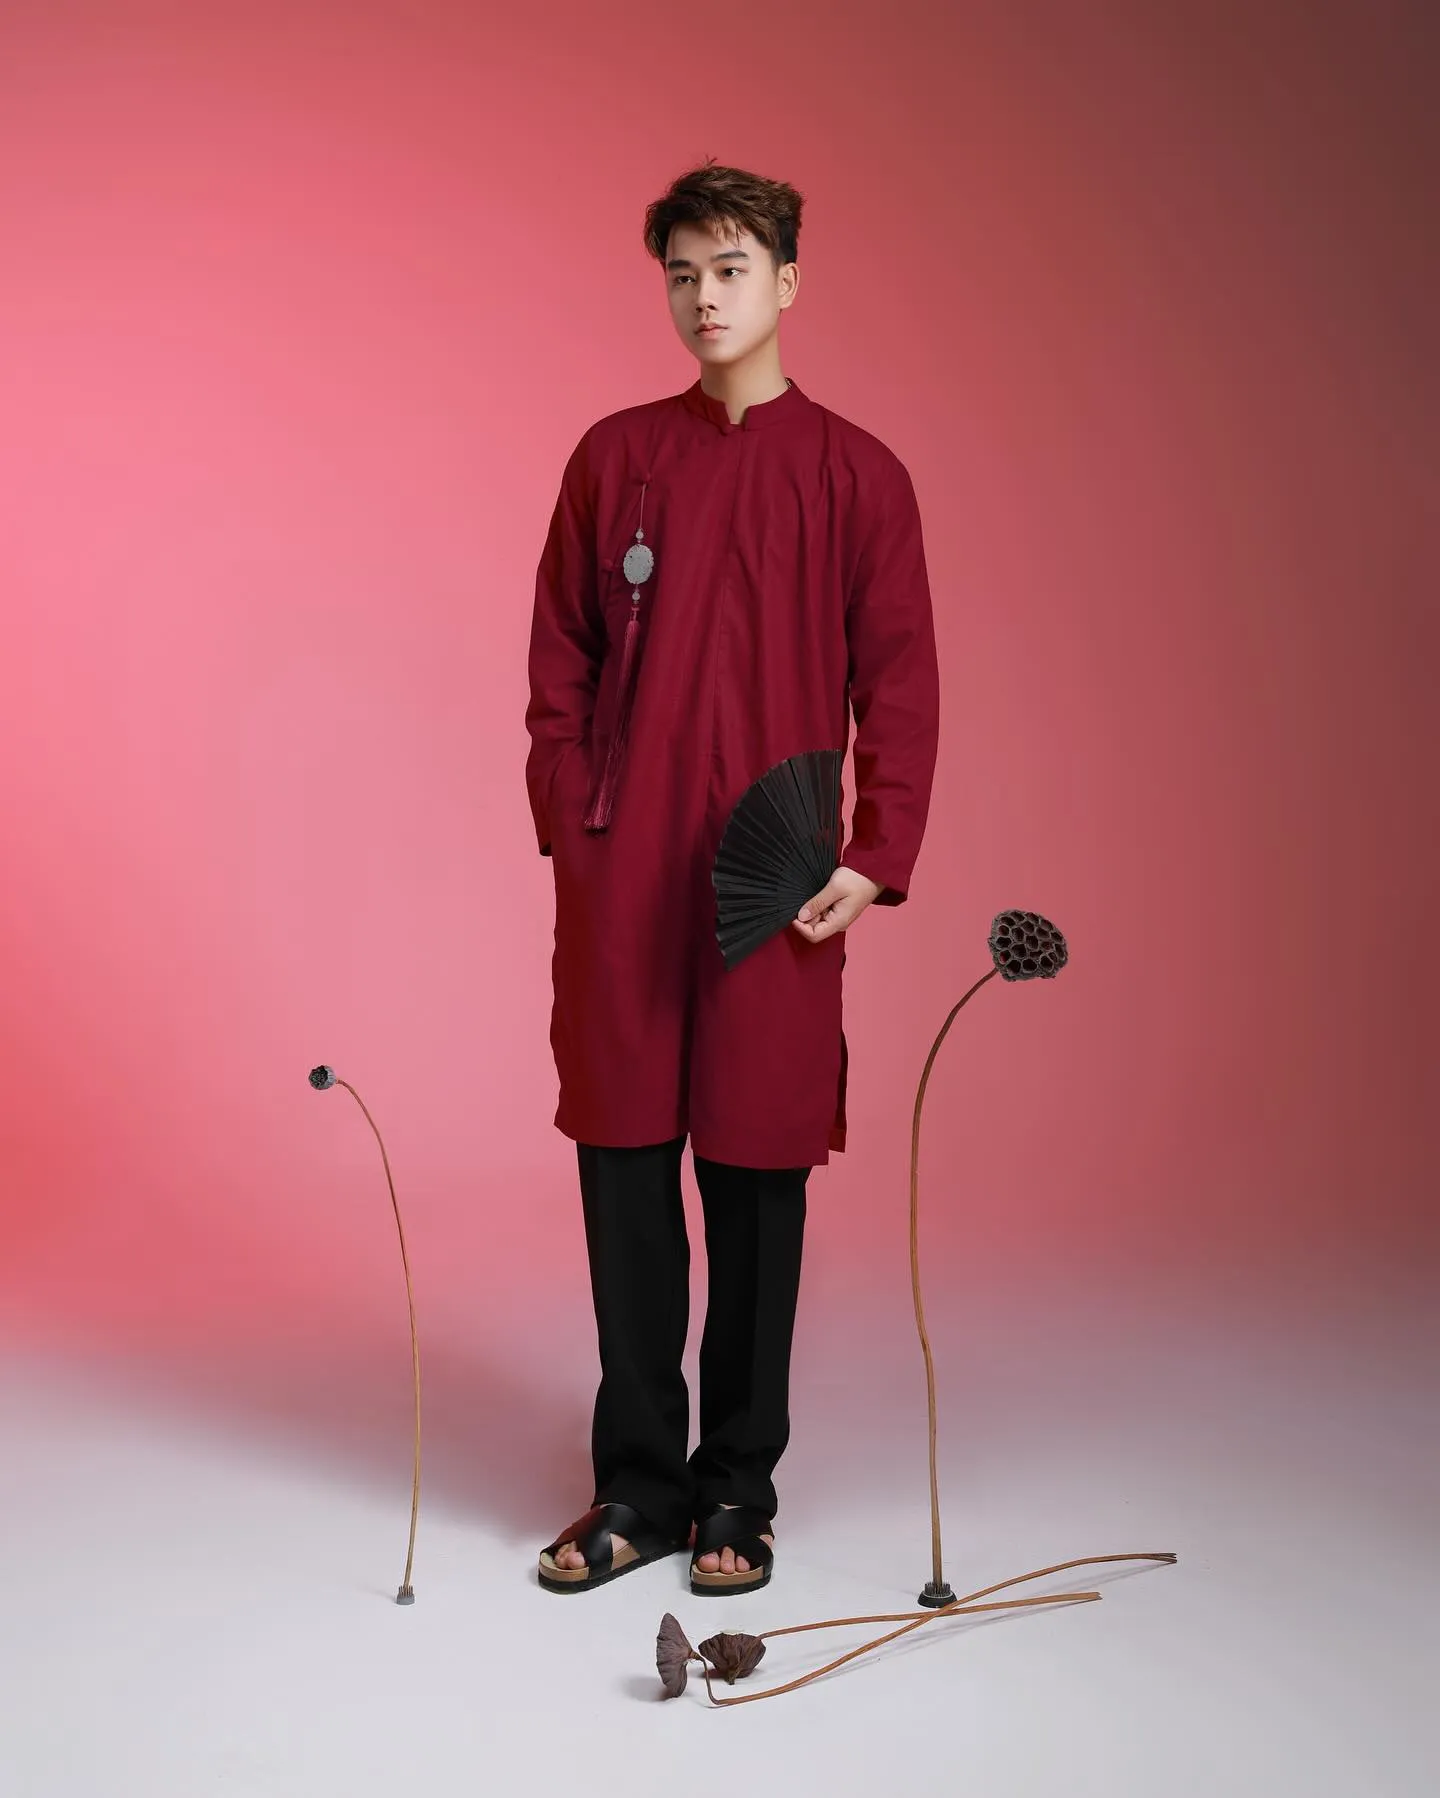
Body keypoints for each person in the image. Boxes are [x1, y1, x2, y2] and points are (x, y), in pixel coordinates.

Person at [525, 160, 940, 1596]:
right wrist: (571, 821)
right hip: (625, 862)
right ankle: (637, 1485)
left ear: (789, 282)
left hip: (779, 871)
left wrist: (876, 856)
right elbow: (560, 658)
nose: (705, 297)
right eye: (683, 273)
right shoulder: (614, 458)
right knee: (626, 1167)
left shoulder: (857, 476)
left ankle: (738, 1490)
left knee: (759, 1173)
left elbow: (902, 682)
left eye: (733, 268)